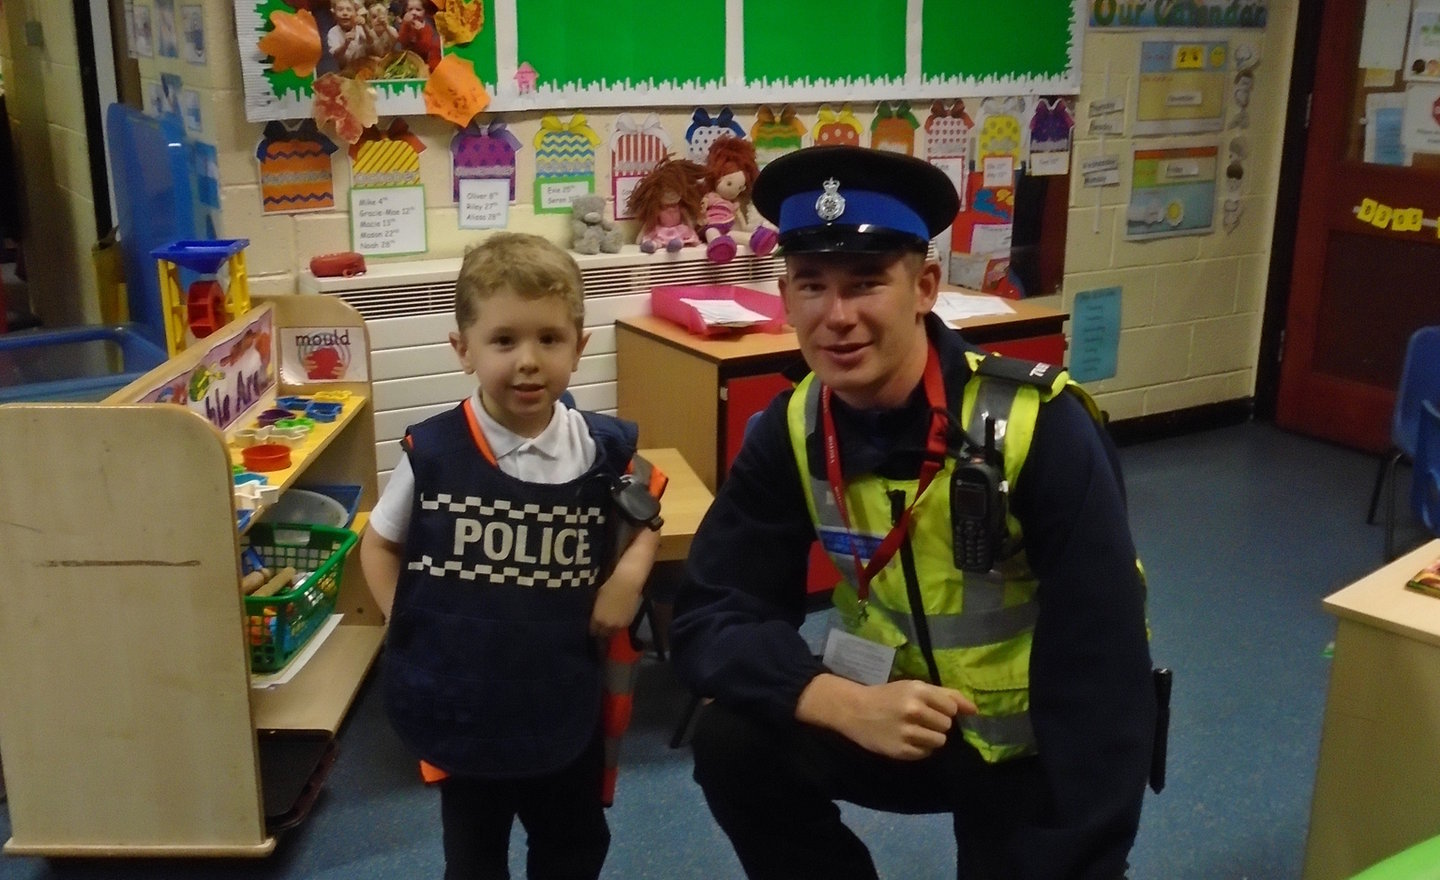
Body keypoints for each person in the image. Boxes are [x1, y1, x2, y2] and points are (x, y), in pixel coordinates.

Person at [670, 145, 1158, 880]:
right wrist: (826, 697)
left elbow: (1104, 667)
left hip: (1028, 749)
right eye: (811, 286)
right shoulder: (794, 427)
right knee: (733, 739)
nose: (837, 318)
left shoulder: (1038, 425)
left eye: (867, 284)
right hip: (889, 715)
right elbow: (709, 615)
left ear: (925, 286)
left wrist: (1082, 851)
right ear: (786, 294)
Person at [360, 232, 666, 880]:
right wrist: (406, 622)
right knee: (473, 859)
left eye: (549, 339)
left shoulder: (600, 449)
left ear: (580, 348)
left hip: (563, 694)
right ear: (463, 349)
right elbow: (380, 544)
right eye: (504, 341)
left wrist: (630, 579)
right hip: (466, 703)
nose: (528, 361)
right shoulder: (434, 452)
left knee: (573, 845)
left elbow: (646, 524)